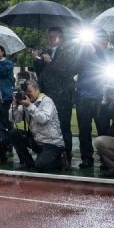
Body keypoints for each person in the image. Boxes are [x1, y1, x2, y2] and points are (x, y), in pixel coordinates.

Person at [32, 27, 76, 163]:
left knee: (63, 125)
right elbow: (41, 72)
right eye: (49, 37)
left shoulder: (69, 52)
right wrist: (37, 59)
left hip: (63, 96)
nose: (51, 40)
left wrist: (50, 62)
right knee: (48, 125)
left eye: (54, 37)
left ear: (61, 38)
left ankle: (66, 154)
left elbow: (68, 72)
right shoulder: (46, 52)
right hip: (47, 94)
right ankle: (51, 154)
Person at [8, 80, 66, 172]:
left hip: (52, 143)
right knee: (14, 133)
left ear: (37, 90)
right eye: (25, 92)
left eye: (29, 92)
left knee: (41, 166)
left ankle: (61, 159)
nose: (27, 94)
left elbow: (44, 119)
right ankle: (28, 163)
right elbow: (14, 119)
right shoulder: (26, 102)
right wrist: (15, 104)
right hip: (36, 141)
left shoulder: (46, 101)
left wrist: (30, 106)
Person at [75, 28, 111, 168]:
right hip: (83, 97)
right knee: (84, 130)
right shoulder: (83, 53)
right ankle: (86, 158)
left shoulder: (109, 55)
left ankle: (106, 159)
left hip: (101, 97)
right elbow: (75, 67)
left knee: (103, 129)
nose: (101, 42)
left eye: (103, 39)